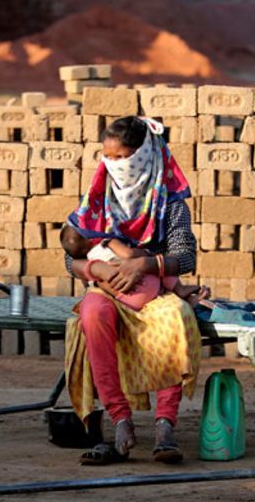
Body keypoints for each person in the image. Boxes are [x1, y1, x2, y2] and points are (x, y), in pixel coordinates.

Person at [63, 116, 202, 466]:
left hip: (153, 290)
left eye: (123, 157)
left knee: (177, 317)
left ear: (142, 156)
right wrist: (97, 268)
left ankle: (164, 426)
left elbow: (185, 256)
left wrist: (143, 265)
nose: (115, 165)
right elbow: (71, 257)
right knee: (92, 315)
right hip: (107, 288)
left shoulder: (169, 203)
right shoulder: (98, 197)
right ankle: (119, 419)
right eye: (108, 157)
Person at [59, 225, 209, 312]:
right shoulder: (106, 240)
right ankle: (180, 291)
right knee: (161, 262)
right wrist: (147, 257)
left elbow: (186, 257)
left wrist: (144, 264)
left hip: (125, 299)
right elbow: (129, 254)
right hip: (148, 286)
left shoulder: (88, 256)